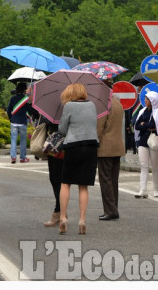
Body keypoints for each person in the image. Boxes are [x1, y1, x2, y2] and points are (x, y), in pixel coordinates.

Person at [57, 83, 99, 235]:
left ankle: (63, 217)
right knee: (83, 185)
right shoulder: (92, 105)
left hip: (73, 146)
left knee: (66, 182)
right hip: (91, 146)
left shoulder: (69, 106)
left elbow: (62, 129)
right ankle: (82, 220)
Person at [96, 84, 125, 221]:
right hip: (117, 146)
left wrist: (94, 142)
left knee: (105, 179)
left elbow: (99, 128)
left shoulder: (103, 105)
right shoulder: (117, 103)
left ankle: (110, 210)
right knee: (114, 179)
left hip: (105, 147)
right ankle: (114, 208)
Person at [134, 91, 158, 198]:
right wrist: (146, 125)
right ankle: (143, 189)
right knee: (144, 165)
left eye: (147, 99)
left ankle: (156, 189)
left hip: (154, 141)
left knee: (155, 167)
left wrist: (145, 124)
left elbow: (156, 125)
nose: (145, 101)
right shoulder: (142, 111)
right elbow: (137, 125)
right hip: (143, 141)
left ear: (153, 101)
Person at [41, 117, 65, 227]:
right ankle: (61, 210)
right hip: (59, 145)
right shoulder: (62, 106)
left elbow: (46, 122)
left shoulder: (57, 108)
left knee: (56, 178)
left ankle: (58, 211)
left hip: (58, 145)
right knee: (57, 178)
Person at [6, 81, 35, 164]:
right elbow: (30, 112)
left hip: (14, 122)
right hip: (22, 122)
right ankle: (22, 157)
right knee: (23, 141)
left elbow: (8, 110)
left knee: (13, 140)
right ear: (24, 89)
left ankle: (13, 157)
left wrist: (11, 118)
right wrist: (29, 104)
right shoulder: (26, 99)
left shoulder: (13, 98)